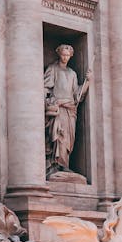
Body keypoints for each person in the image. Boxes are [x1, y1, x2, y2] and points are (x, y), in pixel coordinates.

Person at [42, 44, 91, 175]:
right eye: (63, 55)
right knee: (59, 136)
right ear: (59, 54)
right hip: (59, 107)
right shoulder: (53, 69)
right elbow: (45, 88)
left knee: (69, 138)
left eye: (68, 56)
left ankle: (64, 163)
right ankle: (56, 164)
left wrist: (87, 82)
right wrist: (49, 102)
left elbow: (77, 95)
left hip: (70, 109)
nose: (65, 57)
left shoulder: (72, 73)